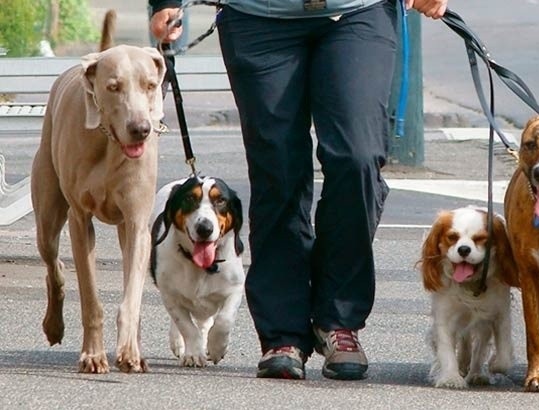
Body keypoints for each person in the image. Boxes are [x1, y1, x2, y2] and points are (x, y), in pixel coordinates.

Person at [149, 0, 448, 381]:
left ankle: (339, 321)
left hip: (356, 12)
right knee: (278, 170)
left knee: (357, 158)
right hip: (258, 17)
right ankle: (283, 333)